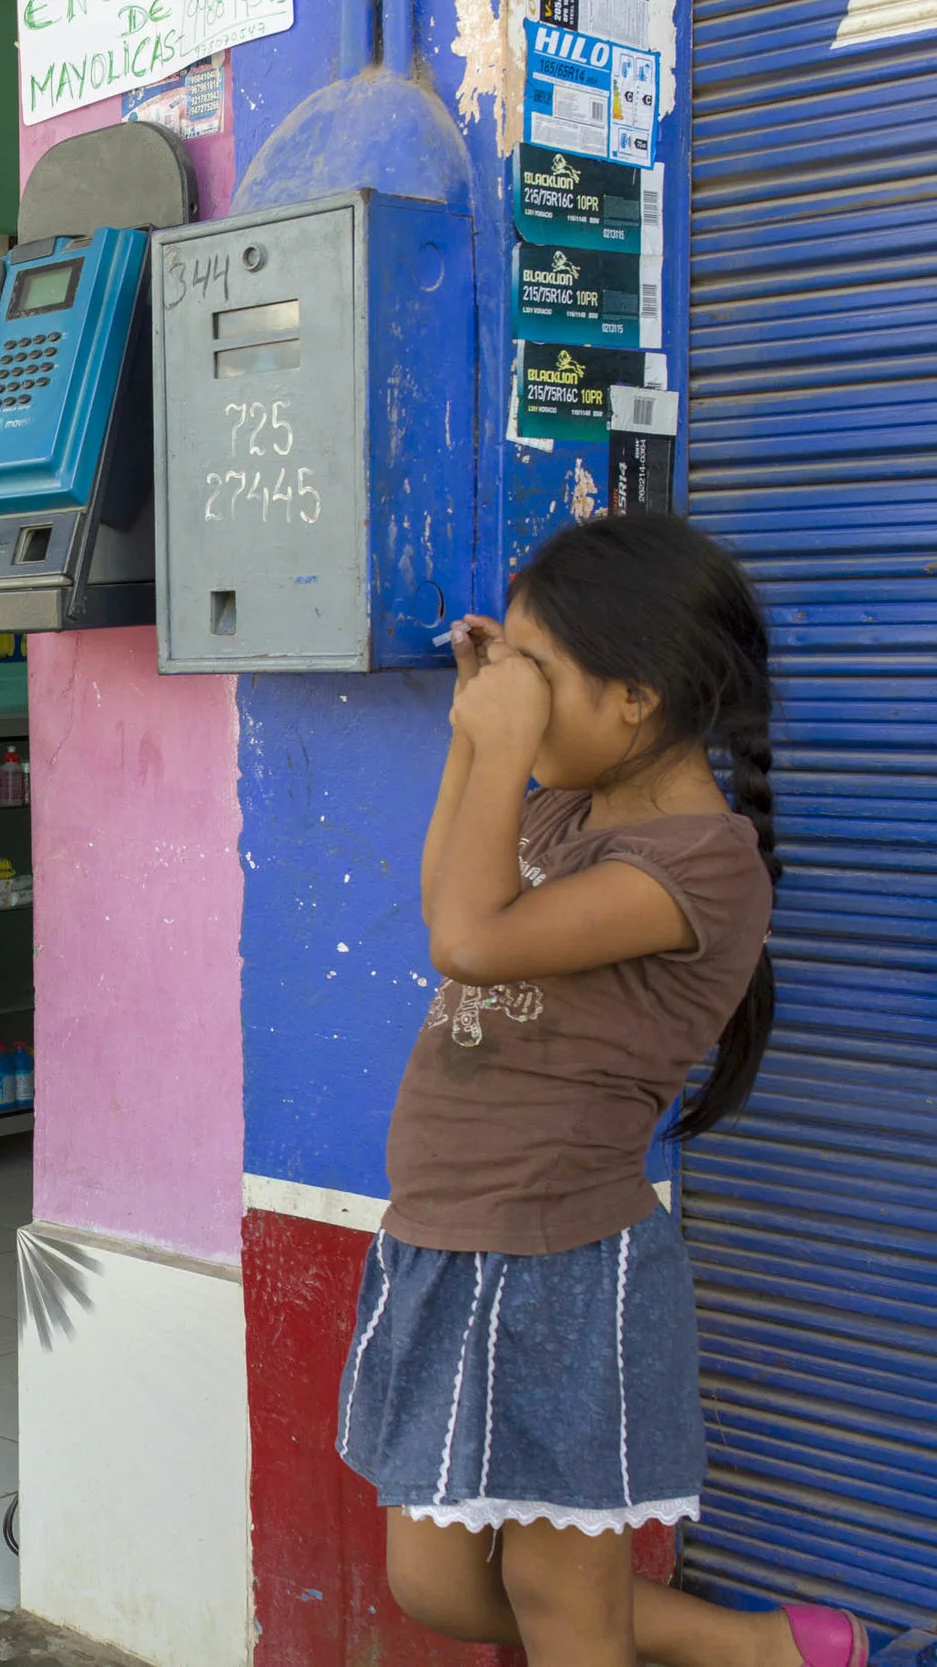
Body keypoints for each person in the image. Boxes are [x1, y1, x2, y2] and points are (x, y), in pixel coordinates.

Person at [340, 517, 868, 1666]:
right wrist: (470, 741)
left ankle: (779, 1649)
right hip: (444, 1245)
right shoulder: (558, 813)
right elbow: (447, 896)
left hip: (562, 1269)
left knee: (560, 1601)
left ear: (633, 698)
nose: (512, 699)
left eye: (541, 677)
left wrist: (499, 738)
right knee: (430, 1579)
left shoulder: (701, 866)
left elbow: (469, 941)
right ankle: (771, 1649)